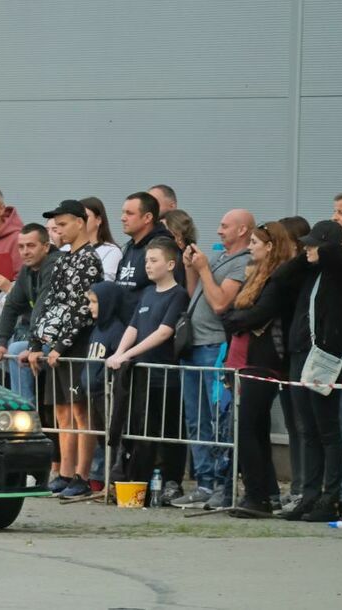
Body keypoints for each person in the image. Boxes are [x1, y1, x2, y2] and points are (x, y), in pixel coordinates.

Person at [280, 220, 342, 522]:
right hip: (300, 354)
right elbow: (281, 278)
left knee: (328, 430)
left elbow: (336, 258)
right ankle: (310, 493)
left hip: (325, 358)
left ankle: (332, 497)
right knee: (307, 430)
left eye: (314, 244)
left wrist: (332, 243)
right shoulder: (310, 270)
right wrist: (305, 256)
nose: (307, 249)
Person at [171, 209, 254, 509]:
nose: (218, 231)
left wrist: (204, 268)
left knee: (218, 417)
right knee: (196, 419)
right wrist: (192, 269)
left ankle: (222, 483)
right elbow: (197, 294)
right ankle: (204, 482)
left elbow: (220, 303)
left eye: (224, 225)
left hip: (215, 347)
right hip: (193, 345)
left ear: (243, 230)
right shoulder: (220, 259)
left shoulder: (244, 262)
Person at [221, 221, 298, 517]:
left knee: (249, 428)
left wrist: (238, 319)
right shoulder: (257, 276)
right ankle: (265, 492)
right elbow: (235, 312)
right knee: (255, 428)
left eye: (255, 242)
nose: (250, 247)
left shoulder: (277, 280)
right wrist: (238, 318)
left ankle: (257, 495)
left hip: (263, 362)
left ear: (270, 247)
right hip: (244, 358)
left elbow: (258, 314)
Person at [27, 200, 102, 495]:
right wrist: (37, 341)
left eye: (64, 223)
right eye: (56, 225)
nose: (58, 229)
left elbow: (83, 309)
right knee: (60, 410)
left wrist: (61, 344)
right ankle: (66, 471)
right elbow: (51, 302)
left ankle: (82, 475)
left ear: (80, 223)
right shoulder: (62, 258)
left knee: (81, 411)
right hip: (56, 345)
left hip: (77, 344)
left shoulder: (89, 260)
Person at [106, 237, 190, 487]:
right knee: (144, 430)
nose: (148, 266)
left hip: (165, 377)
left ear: (171, 264)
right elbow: (133, 326)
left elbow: (164, 331)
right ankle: (140, 477)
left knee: (168, 431)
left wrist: (128, 354)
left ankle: (170, 480)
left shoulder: (178, 295)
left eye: (154, 260)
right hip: (141, 377)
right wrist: (119, 352)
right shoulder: (147, 294)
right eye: (146, 261)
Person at [0, 223, 59, 401]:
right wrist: (1, 342)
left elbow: (42, 306)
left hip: (63, 338)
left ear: (46, 246)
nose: (25, 251)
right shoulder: (27, 270)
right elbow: (11, 306)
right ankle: (22, 407)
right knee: (11, 348)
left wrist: (33, 346)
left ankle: (25, 408)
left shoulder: (54, 264)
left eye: (31, 246)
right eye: (21, 247)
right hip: (41, 337)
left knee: (17, 348)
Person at [77, 281, 127, 494]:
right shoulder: (97, 329)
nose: (90, 306)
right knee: (100, 437)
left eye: (95, 302)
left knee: (111, 438)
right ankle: (100, 480)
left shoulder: (117, 330)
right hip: (93, 392)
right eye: (89, 302)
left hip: (106, 393)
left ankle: (112, 483)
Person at [116, 192, 182, 320]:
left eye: (129, 213)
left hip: (148, 328)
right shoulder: (129, 246)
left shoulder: (163, 247)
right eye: (123, 212)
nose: (123, 218)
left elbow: (169, 292)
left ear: (147, 218)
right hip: (124, 328)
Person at [79, 197, 122, 281]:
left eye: (85, 217)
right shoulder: (66, 248)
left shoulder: (111, 251)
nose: (80, 221)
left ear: (98, 220)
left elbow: (105, 284)